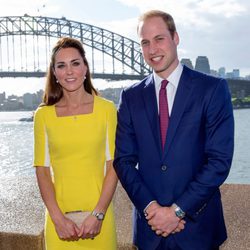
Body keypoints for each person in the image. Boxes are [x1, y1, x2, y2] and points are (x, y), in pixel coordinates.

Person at [114, 10, 234, 250]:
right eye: (145, 43)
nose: (152, 49)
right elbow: (124, 161)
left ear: (175, 38)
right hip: (151, 232)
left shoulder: (212, 89)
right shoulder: (130, 97)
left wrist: (177, 211)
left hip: (198, 230)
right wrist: (153, 210)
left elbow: (219, 161)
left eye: (159, 39)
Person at [33, 37, 117, 250]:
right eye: (61, 65)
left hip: (100, 219)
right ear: (54, 73)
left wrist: (98, 214)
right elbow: (42, 170)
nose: (69, 71)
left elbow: (114, 166)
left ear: (85, 68)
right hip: (59, 223)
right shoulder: (43, 115)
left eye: (75, 63)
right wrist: (58, 219)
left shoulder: (106, 110)